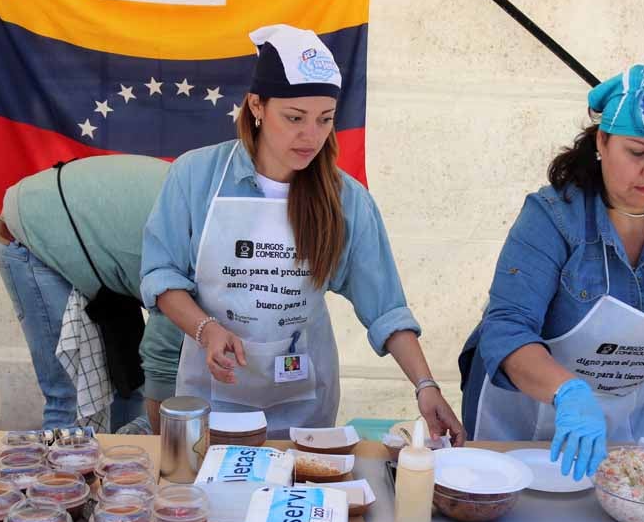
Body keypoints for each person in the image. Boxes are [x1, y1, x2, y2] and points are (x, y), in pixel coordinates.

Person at [141, 24, 464, 442]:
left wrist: (425, 385)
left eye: (325, 119)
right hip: (213, 402)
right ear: (257, 106)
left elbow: (385, 307)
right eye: (294, 118)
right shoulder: (197, 176)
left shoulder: (347, 199)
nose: (310, 136)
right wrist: (206, 329)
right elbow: (161, 274)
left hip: (305, 408)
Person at [458, 65, 644, 479]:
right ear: (602, 140)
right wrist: (568, 392)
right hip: (525, 419)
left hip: (625, 426)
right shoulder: (552, 217)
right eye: (637, 152)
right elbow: (507, 329)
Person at [0, 155, 183, 432]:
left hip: (105, 249)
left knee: (129, 386)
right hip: (38, 234)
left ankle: (121, 456)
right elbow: (162, 357)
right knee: (70, 397)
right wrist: (163, 439)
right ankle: (66, 461)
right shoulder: (196, 258)